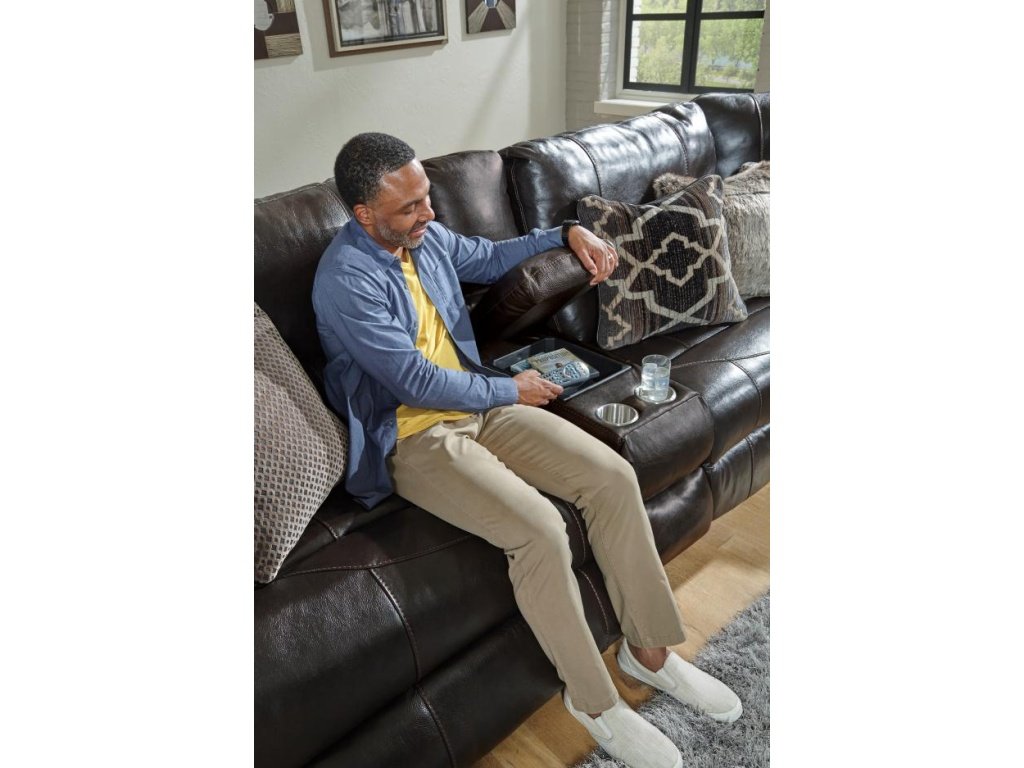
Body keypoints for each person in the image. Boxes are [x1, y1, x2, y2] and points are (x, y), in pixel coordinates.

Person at [312, 132, 741, 768]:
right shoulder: (346, 280)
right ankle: (593, 702)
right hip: (411, 434)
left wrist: (568, 232)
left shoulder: (423, 238)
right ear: (364, 214)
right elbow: (413, 382)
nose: (429, 212)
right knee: (539, 530)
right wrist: (509, 388)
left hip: (479, 402)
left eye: (427, 196)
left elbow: (489, 256)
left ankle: (648, 653)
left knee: (612, 476)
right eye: (410, 207)